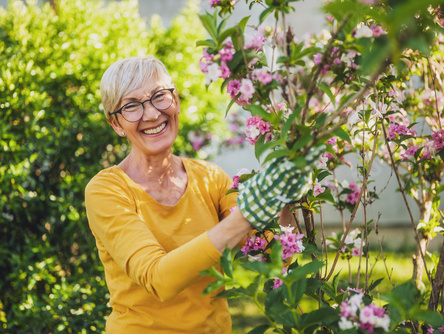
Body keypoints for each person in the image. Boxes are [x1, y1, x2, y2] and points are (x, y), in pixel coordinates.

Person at [85, 56, 309, 333]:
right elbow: (158, 279)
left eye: (159, 96)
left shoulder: (211, 178)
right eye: (131, 106)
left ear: (175, 101)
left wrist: (286, 201)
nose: (152, 114)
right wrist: (249, 214)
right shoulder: (108, 190)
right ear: (116, 124)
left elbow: (273, 255)